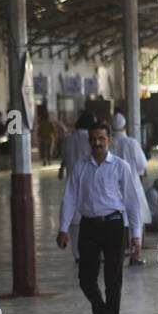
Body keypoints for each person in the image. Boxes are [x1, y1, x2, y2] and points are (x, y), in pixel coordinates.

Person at [57, 121, 141, 314]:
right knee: (86, 279)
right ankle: (102, 313)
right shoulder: (80, 167)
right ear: (89, 141)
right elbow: (70, 198)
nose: (97, 143)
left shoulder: (120, 166)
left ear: (109, 140)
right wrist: (63, 227)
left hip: (114, 225)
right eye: (93, 139)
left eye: (101, 139)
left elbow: (132, 202)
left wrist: (136, 235)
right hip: (88, 226)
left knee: (113, 280)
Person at [111, 113, 152, 265]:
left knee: (117, 222)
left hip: (114, 188)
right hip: (132, 185)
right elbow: (142, 164)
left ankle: (118, 253)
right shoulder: (131, 143)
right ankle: (135, 255)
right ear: (125, 126)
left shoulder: (109, 143)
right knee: (136, 219)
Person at [64, 111, 95, 262]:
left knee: (73, 218)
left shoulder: (68, 139)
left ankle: (77, 254)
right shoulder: (89, 139)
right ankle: (94, 251)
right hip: (87, 182)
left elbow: (64, 157)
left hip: (71, 179)